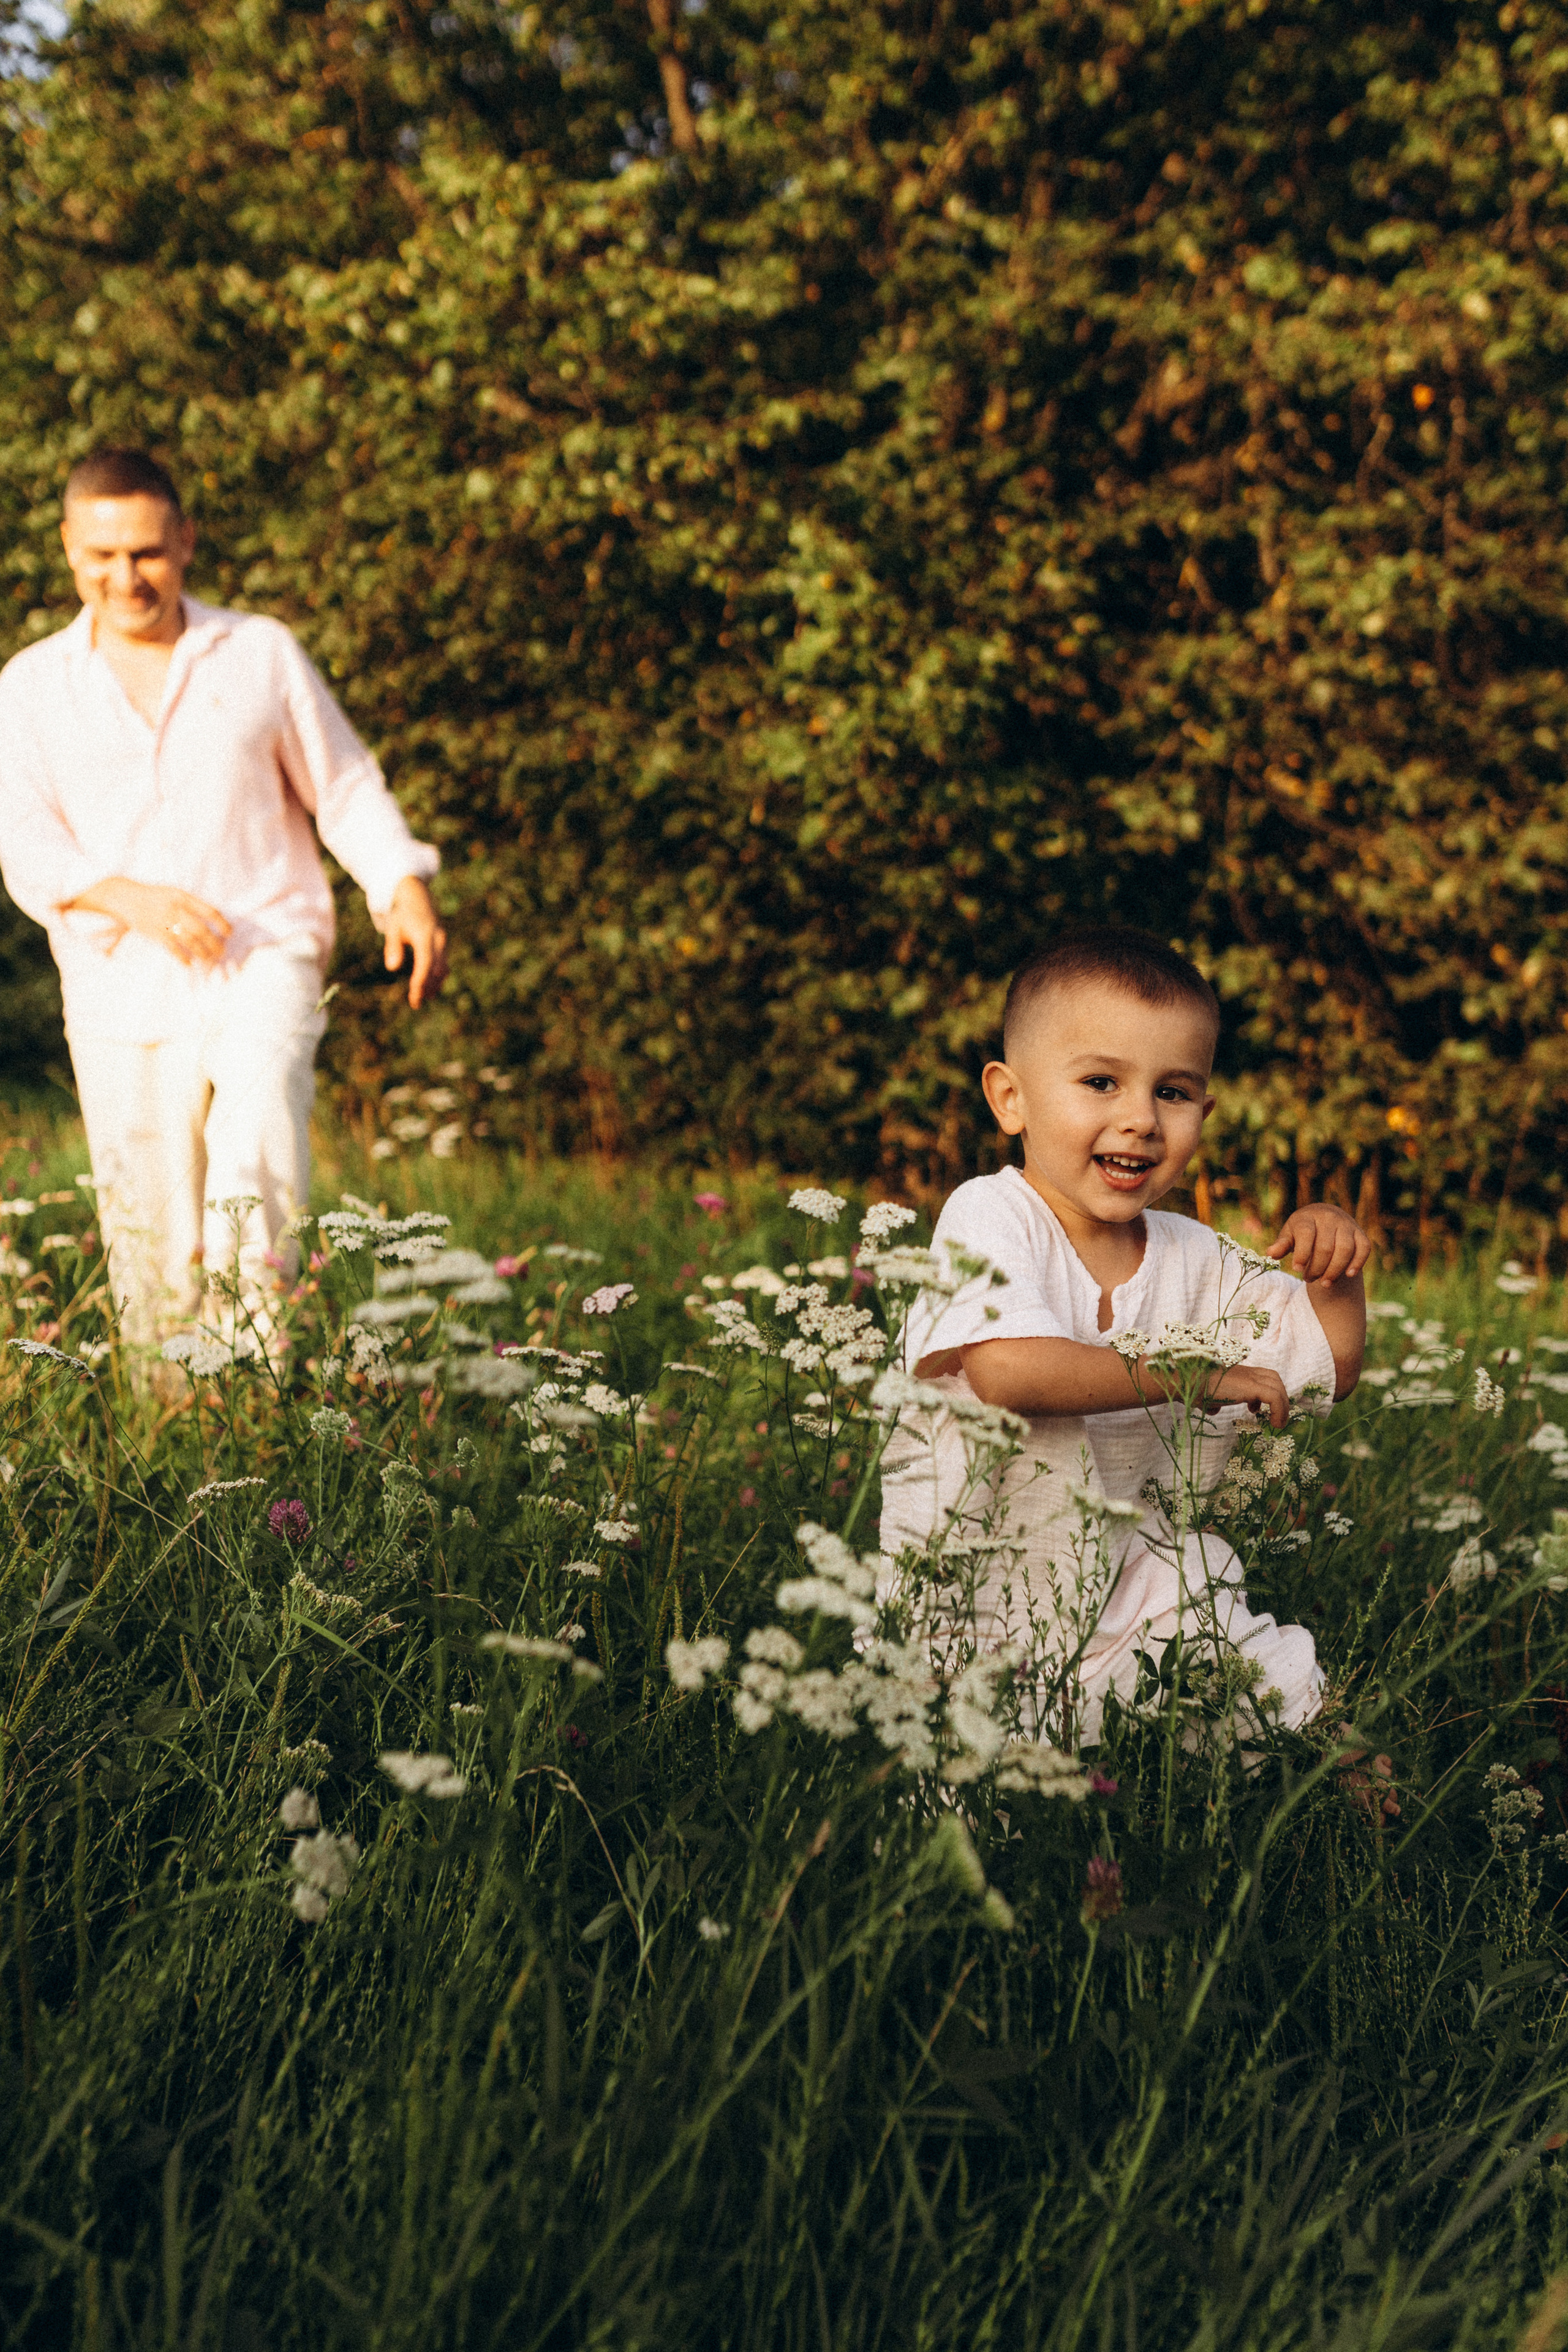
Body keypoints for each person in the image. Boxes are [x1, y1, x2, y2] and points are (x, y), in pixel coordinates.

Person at [0, 447, 447, 1366]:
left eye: (147, 553)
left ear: (186, 543)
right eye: (103, 555)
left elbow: (344, 783)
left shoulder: (258, 652)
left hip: (264, 949)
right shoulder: (32, 686)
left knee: (258, 1151)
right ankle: (172, 1411)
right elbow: (23, 837)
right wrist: (124, 897)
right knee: (151, 1220)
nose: (126, 577)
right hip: (119, 983)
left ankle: (260, 1378)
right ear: (69, 547)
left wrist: (399, 885)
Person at [879, 927, 1370, 1744]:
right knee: (973, 1773)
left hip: (1129, 1575)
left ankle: (1332, 1766)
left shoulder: (1196, 1254)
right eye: (1101, 1082)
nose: (1140, 1119)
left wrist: (1336, 1273)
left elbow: (1329, 1367)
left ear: (1204, 1113)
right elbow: (1010, 1372)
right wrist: (1195, 1376)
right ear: (1010, 1098)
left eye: (1172, 1092)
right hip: (971, 1593)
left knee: (1242, 1650)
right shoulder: (992, 1214)